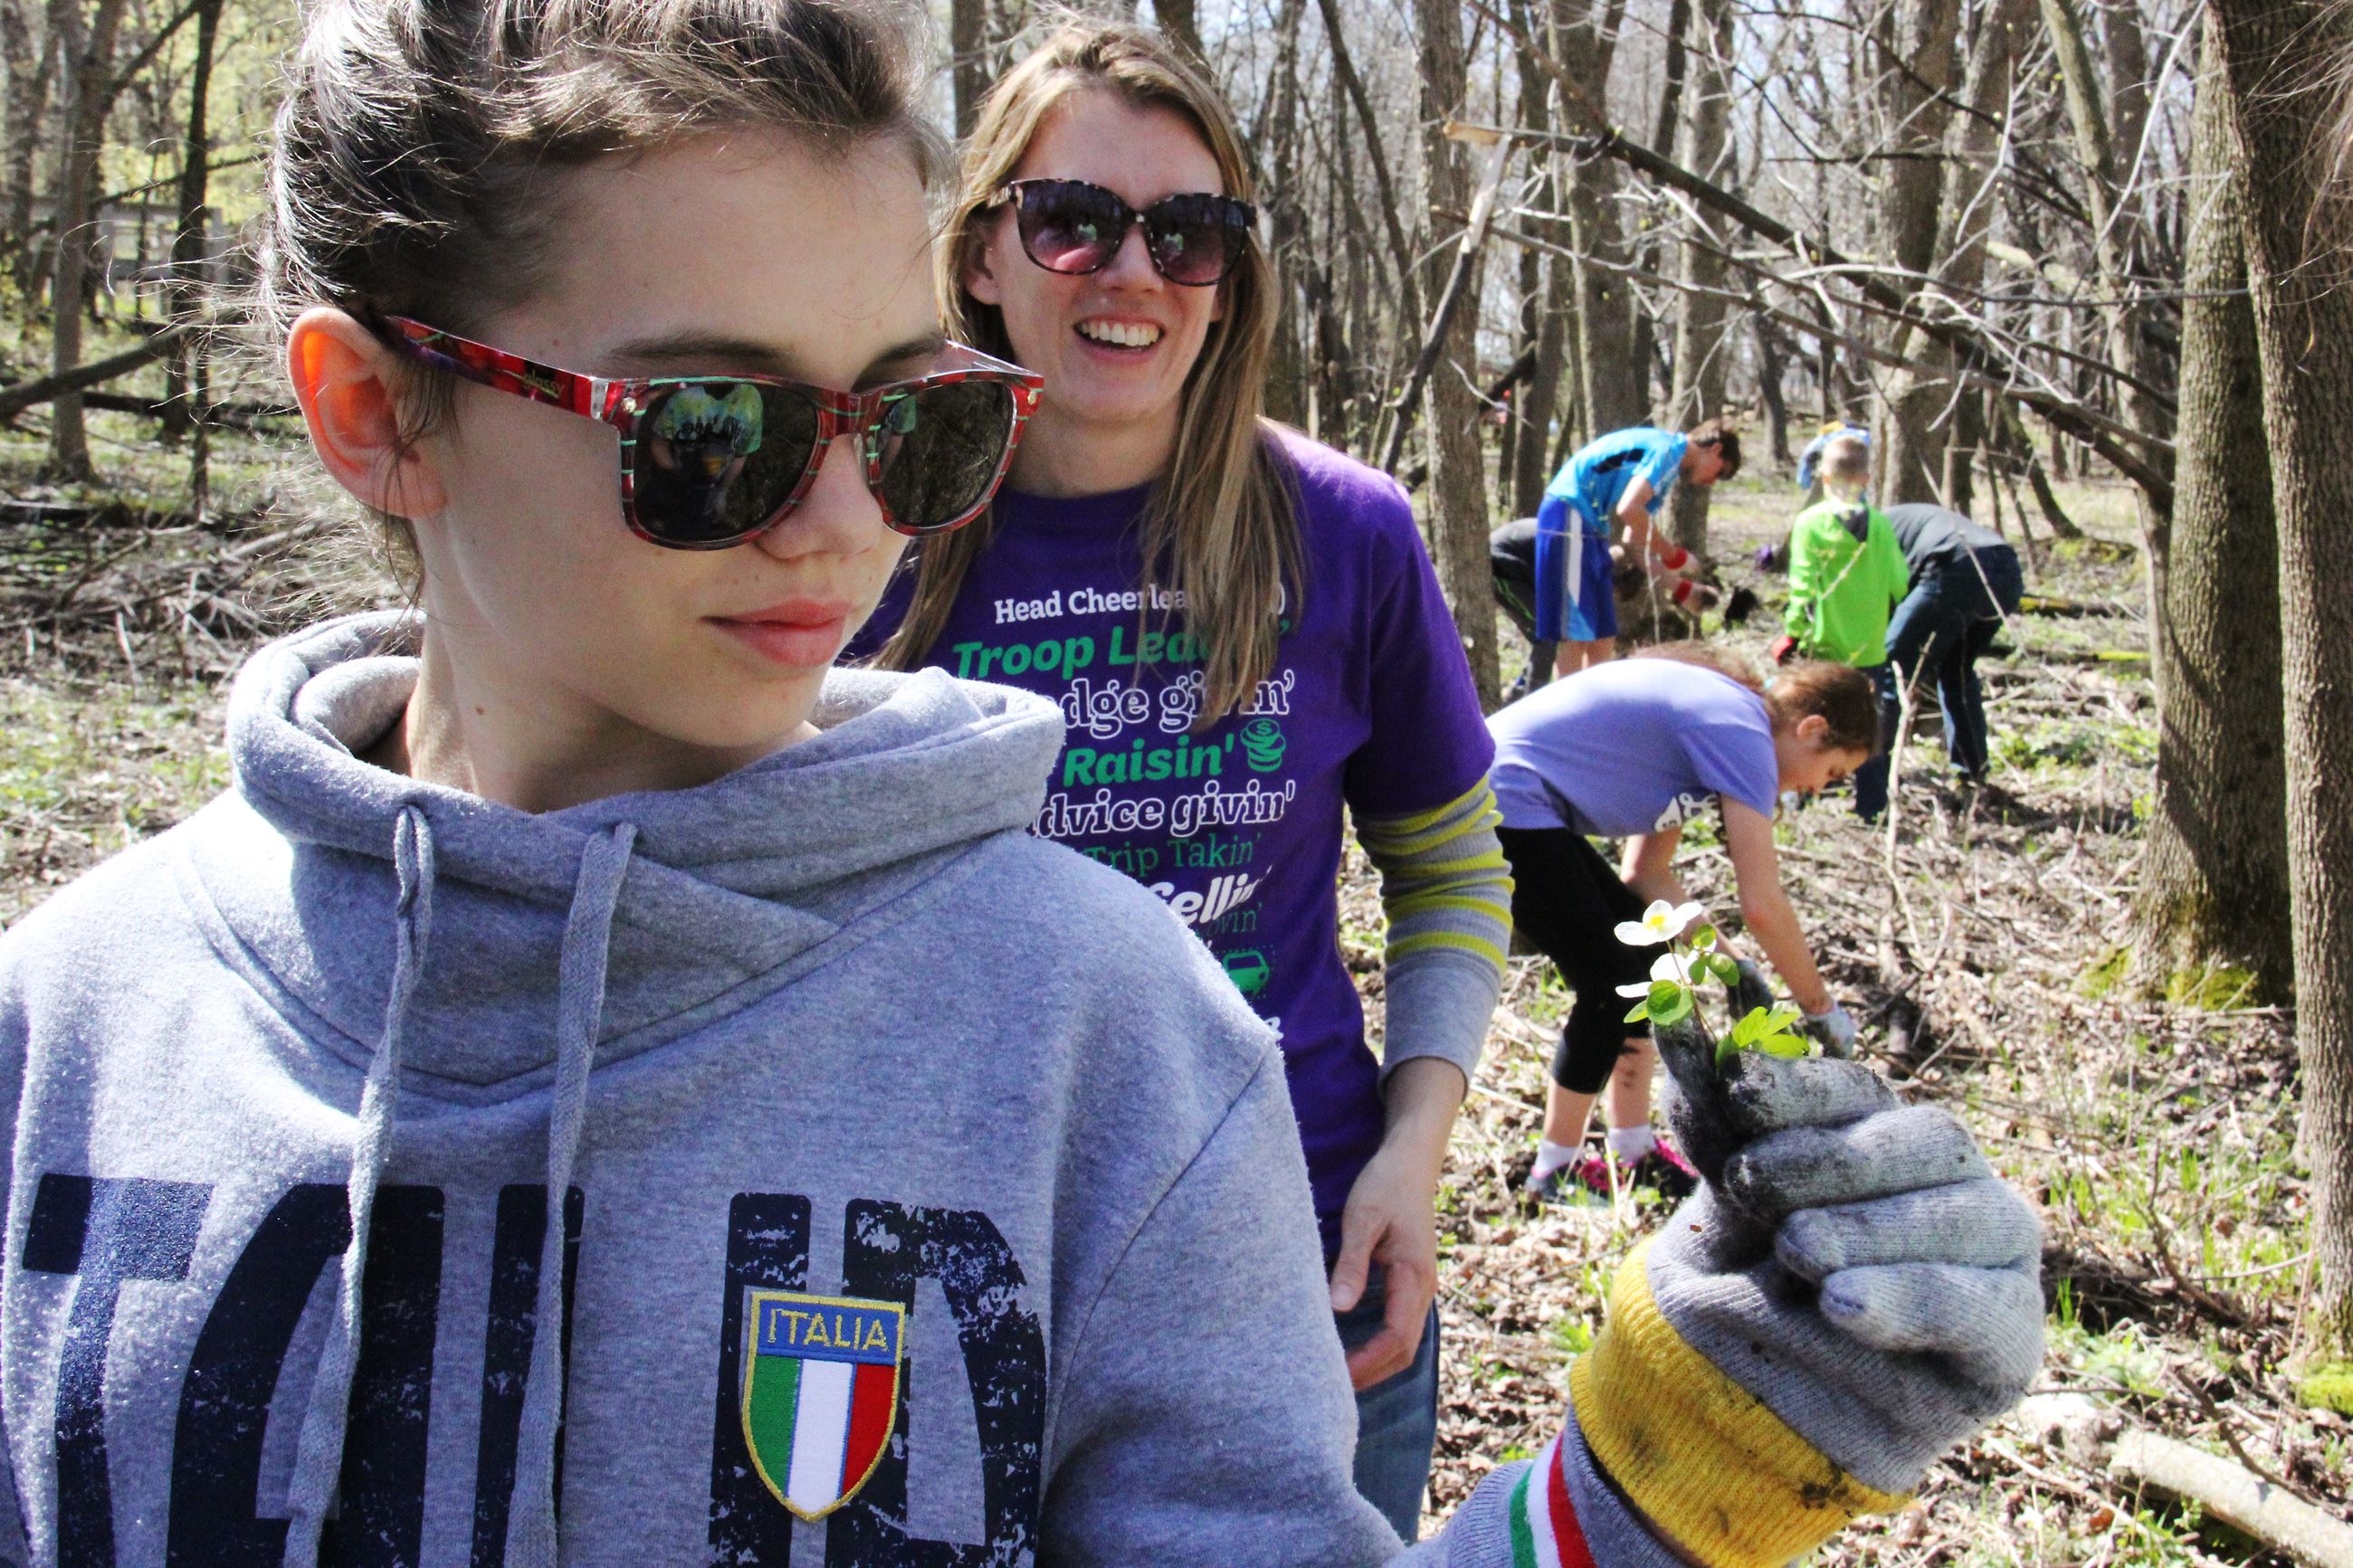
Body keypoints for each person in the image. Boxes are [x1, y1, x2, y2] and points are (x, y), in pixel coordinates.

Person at [0, 3, 2047, 1563]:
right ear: (378, 418)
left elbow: (1434, 843)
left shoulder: (1112, 1044)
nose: (833, 528)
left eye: (903, 427)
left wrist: (1650, 1468)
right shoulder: (67, 1039)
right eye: (712, 427)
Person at [854, 24, 1511, 1535]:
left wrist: (1414, 1152)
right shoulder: (863, 527)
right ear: (980, 256)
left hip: (1300, 1260)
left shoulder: (1344, 532)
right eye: (1072, 220)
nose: (1131, 272)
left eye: (1190, 232)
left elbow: (1452, 864)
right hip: (942, 1262)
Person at [1487, 649, 1874, 1202]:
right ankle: (1556, 1171)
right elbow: (1762, 904)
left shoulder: (1722, 727)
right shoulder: (1741, 731)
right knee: (1610, 982)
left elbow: (1647, 875)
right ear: (1811, 728)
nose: (1818, 788)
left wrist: (1734, 965)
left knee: (1649, 965)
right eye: (1832, 771)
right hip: (1497, 797)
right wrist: (1820, 1009)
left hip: (1523, 802)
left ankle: (1631, 1148)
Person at [1532, 423, 1739, 679]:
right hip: (1568, 514)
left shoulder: (1668, 469)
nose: (1712, 483)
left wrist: (1681, 588)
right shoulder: (1667, 451)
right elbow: (1628, 509)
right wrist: (1674, 556)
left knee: (1602, 637)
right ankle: (1568, 713)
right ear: (1715, 449)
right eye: (1720, 473)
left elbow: (1634, 544)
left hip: (1592, 527)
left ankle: (1594, 710)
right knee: (1577, 635)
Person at [1779, 432, 1910, 820]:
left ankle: (1800, 794)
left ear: (1823, 478)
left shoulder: (1809, 524)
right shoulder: (1882, 527)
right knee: (1870, 727)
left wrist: (1794, 634)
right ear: (1867, 479)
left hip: (1825, 649)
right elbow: (1900, 585)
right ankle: (1873, 807)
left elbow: (1802, 588)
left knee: (1811, 723)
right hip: (1871, 647)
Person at [1491, 518, 1718, 699]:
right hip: (1502, 563)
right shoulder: (1589, 568)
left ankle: (1527, 693)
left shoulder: (1597, 560)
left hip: (1523, 567)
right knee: (1549, 636)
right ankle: (1525, 700)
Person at [1883, 502, 2024, 783]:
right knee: (1956, 670)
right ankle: (1973, 773)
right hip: (2007, 570)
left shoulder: (1874, 532)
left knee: (1889, 668)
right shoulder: (1901, 521)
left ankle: (1871, 782)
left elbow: (1882, 603)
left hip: (1955, 564)